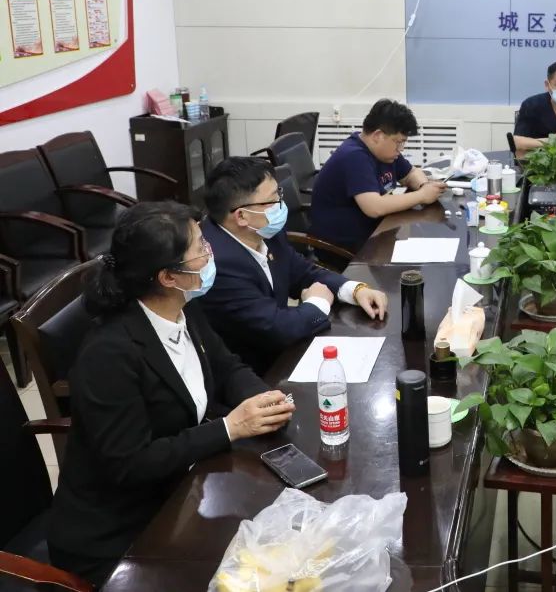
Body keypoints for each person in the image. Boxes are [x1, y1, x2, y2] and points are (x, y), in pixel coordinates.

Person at [48, 202, 294, 586]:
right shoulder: (109, 354)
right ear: (167, 276)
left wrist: (264, 399)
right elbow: (131, 464)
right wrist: (229, 427)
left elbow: (226, 367)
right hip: (123, 531)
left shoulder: (183, 307)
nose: (210, 253)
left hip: (180, 490)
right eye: (200, 248)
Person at [199, 157, 388, 374]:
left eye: (278, 193)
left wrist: (354, 290)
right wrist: (318, 302)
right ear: (241, 216)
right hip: (255, 371)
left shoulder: (263, 230)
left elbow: (301, 272)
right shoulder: (217, 264)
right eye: (273, 200)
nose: (281, 204)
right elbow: (277, 329)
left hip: (286, 349)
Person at [309, 98, 446, 256]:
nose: (400, 149)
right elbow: (374, 207)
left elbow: (411, 173)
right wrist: (422, 196)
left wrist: (424, 186)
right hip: (342, 248)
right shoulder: (354, 156)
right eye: (398, 142)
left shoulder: (385, 153)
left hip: (375, 233)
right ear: (378, 135)